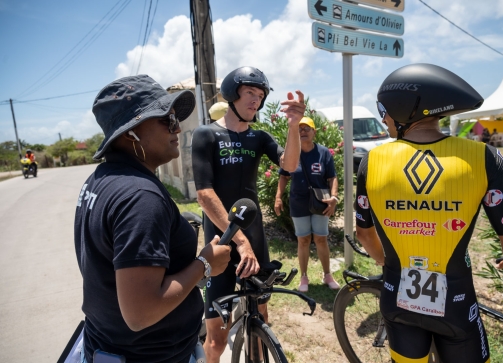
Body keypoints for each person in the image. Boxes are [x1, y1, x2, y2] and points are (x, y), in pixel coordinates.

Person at [355, 63, 503, 363]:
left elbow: (364, 235)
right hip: (455, 305)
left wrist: (391, 262)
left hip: (396, 297)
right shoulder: (482, 157)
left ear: (407, 108)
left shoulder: (371, 161)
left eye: (384, 109)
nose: (383, 118)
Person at [74, 75, 231, 363]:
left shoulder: (100, 179)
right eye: (167, 120)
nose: (178, 128)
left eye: (176, 119)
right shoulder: (140, 197)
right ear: (129, 133)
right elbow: (141, 313)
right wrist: (205, 263)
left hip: (107, 345)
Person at [191, 66, 305, 363]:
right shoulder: (206, 135)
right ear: (232, 94)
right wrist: (239, 242)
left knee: (262, 321)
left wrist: (294, 126)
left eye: (261, 95)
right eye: (250, 93)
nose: (257, 100)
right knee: (216, 342)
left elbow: (289, 165)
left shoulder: (260, 137)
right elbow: (205, 195)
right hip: (222, 244)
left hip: (255, 242)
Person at [274, 116, 340, 292]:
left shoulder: (323, 152)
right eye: (300, 129)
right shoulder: (291, 152)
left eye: (307, 128)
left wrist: (334, 198)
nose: (303, 131)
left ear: (314, 132)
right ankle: (304, 277)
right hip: (298, 202)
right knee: (303, 240)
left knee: (321, 239)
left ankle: (327, 275)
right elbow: (284, 176)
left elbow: (332, 177)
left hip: (320, 203)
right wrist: (278, 197)